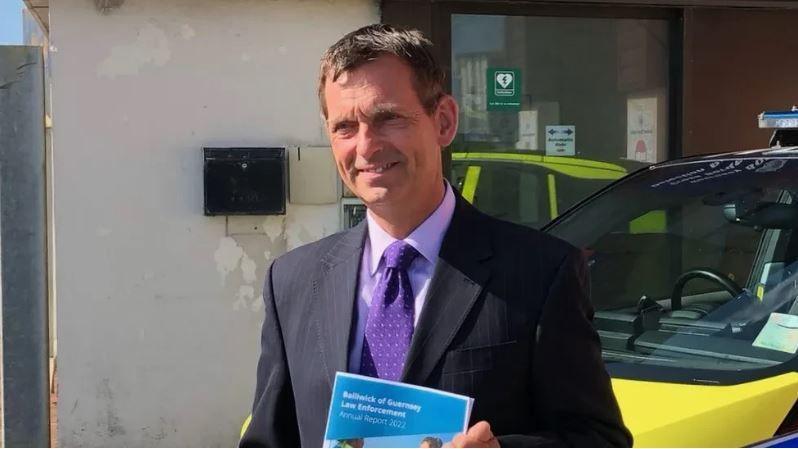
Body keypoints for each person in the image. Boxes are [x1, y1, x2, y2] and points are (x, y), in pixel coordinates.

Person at [240, 24, 632, 448]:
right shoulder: (293, 281)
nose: (367, 147)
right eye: (345, 128)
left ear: (443, 121)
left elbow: (600, 440)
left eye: (387, 118)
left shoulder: (540, 273)